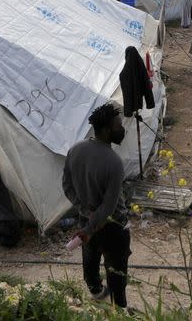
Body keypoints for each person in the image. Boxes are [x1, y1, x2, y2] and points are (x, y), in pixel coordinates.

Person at [62, 103, 131, 310]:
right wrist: (90, 228)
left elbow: (67, 186)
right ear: (107, 130)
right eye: (118, 125)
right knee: (116, 277)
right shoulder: (114, 163)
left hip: (87, 224)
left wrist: (85, 214)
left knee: (91, 272)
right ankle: (119, 312)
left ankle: (100, 300)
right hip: (112, 227)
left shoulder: (75, 150)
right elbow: (108, 208)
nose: (122, 129)